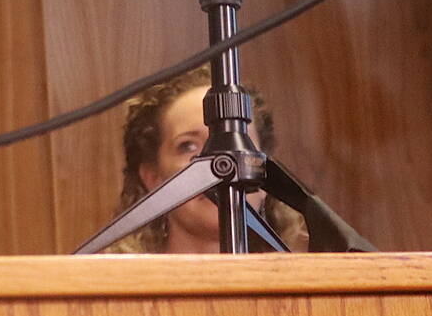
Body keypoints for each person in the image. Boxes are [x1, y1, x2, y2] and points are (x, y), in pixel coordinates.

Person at [109, 66, 302, 253]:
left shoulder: (308, 283)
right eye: (188, 146)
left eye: (238, 146)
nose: (220, 161)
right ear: (153, 178)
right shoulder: (113, 285)